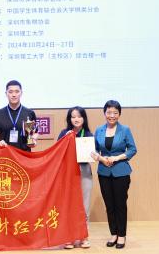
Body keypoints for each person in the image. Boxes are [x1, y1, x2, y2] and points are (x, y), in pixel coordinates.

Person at [91, 100, 136, 249]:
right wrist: (101, 159)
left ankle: (122, 235)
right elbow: (94, 150)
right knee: (109, 205)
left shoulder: (125, 130)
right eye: (109, 112)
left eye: (115, 113)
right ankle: (114, 234)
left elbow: (132, 149)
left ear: (119, 114)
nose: (112, 115)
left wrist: (116, 158)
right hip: (103, 172)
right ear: (104, 113)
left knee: (120, 205)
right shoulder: (99, 130)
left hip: (121, 172)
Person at [57, 106, 93, 249]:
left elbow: (93, 154)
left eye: (79, 116)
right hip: (68, 173)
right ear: (69, 119)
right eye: (73, 117)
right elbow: (57, 152)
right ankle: (69, 237)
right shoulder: (64, 133)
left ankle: (84, 237)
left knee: (84, 205)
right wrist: (65, 139)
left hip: (84, 171)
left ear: (84, 118)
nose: (76, 119)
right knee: (68, 205)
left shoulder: (89, 134)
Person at [0, 80, 38, 151]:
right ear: (6, 93)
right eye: (10, 92)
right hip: (5, 153)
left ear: (21, 93)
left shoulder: (30, 113)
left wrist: (33, 140)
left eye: (17, 91)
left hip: (24, 154)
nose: (14, 95)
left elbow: (35, 132)